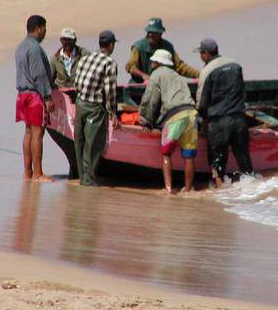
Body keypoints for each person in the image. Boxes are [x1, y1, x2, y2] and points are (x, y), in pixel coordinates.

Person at [195, 38, 254, 188]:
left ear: (206, 53)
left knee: (217, 159)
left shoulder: (207, 71)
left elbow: (201, 103)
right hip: (239, 119)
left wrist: (204, 120)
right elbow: (242, 92)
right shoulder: (235, 65)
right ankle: (252, 185)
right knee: (243, 156)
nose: (200, 56)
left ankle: (220, 190)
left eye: (201, 53)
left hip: (219, 122)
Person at [138, 49, 198, 194]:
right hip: (191, 113)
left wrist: (146, 120)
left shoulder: (157, 74)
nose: (151, 62)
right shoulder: (176, 75)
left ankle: (168, 188)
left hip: (175, 116)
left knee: (166, 153)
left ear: (158, 62)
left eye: (153, 61)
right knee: (188, 155)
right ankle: (188, 188)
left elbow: (150, 99)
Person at [74, 30, 119, 186]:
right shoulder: (109, 63)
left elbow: (76, 82)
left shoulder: (85, 58)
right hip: (95, 108)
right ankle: (89, 182)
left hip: (80, 104)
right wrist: (113, 112)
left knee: (79, 143)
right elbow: (110, 91)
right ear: (111, 45)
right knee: (92, 147)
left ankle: (82, 179)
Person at [15, 15, 54, 182]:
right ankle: (38, 173)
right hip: (34, 96)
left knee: (29, 131)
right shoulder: (35, 48)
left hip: (22, 94)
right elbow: (39, 75)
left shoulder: (20, 47)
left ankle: (27, 172)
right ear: (38, 28)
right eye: (44, 29)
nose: (45, 32)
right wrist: (47, 96)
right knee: (38, 133)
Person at [126, 17, 199, 84]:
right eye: (149, 32)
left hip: (160, 83)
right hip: (139, 83)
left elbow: (179, 67)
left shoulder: (167, 47)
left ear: (160, 33)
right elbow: (130, 67)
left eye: (153, 32)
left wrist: (199, 75)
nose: (150, 35)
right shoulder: (138, 47)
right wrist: (143, 75)